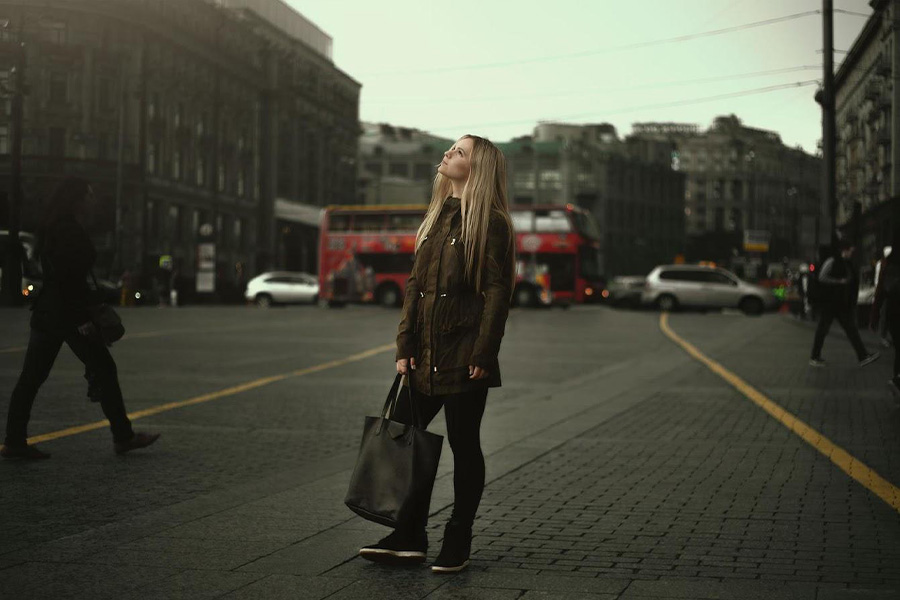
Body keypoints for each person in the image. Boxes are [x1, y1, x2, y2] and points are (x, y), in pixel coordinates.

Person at [358, 135, 516, 573]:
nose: (448, 154)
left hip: (465, 356)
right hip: (423, 354)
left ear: (477, 168)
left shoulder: (491, 223)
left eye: (459, 152)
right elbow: (414, 286)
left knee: (465, 446)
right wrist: (404, 345)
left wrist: (484, 351)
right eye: (451, 148)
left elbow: (496, 294)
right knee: (407, 440)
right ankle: (409, 534)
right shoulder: (436, 217)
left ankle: (458, 536)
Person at [1, 177, 160, 460]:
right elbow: (66, 279)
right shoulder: (66, 230)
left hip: (50, 313)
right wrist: (82, 319)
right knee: (102, 369)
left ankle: (14, 441)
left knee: (33, 378)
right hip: (66, 314)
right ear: (75, 198)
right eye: (88, 195)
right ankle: (123, 437)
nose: (92, 199)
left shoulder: (57, 227)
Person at [810, 239, 879, 368]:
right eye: (850, 251)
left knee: (850, 329)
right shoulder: (832, 261)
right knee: (824, 329)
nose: (851, 254)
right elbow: (822, 277)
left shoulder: (846, 263)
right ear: (844, 250)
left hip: (840, 303)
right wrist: (839, 281)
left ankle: (862, 355)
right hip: (831, 302)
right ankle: (815, 355)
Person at [870, 249, 900, 395]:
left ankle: (897, 380)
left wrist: (875, 315)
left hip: (893, 310)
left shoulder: (888, 263)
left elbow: (880, 289)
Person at [874, 246, 893, 347]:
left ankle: (885, 336)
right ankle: (883, 336)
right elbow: (878, 279)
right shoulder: (881, 264)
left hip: (890, 292)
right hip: (885, 292)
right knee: (885, 315)